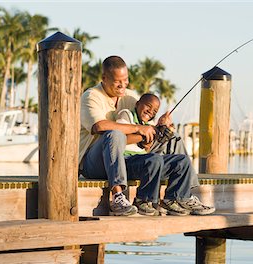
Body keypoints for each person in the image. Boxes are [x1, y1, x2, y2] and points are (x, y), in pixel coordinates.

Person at [79, 55, 215, 216]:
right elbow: (99, 126)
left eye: (126, 79)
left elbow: (146, 122)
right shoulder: (91, 96)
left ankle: (180, 196)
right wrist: (138, 128)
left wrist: (160, 126)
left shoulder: (129, 96)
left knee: (172, 137)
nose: (123, 85)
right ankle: (118, 196)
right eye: (118, 81)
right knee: (114, 135)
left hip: (125, 157)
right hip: (94, 162)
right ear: (104, 78)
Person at [116, 92, 215, 215]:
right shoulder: (127, 115)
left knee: (182, 161)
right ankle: (143, 201)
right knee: (155, 159)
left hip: (144, 162)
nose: (150, 112)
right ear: (137, 104)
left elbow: (146, 149)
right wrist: (142, 136)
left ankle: (174, 199)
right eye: (148, 106)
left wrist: (160, 130)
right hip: (126, 161)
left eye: (154, 111)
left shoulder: (148, 124)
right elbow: (119, 138)